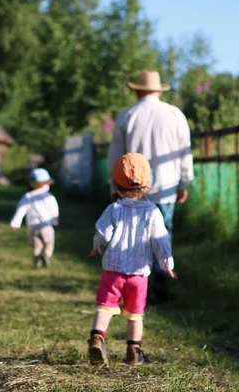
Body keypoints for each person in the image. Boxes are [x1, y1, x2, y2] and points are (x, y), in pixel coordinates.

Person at [107, 70, 194, 301]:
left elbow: (115, 155)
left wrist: (113, 185)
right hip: (166, 185)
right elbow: (184, 152)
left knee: (134, 235)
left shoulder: (127, 116)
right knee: (162, 234)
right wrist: (184, 182)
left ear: (137, 90)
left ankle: (136, 285)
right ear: (158, 90)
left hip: (132, 187)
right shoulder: (175, 115)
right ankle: (161, 281)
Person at [87, 153, 177, 366]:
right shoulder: (152, 212)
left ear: (116, 185)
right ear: (146, 184)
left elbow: (104, 234)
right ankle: (133, 353)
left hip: (113, 271)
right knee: (135, 315)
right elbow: (161, 241)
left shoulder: (114, 209)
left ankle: (97, 337)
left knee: (105, 306)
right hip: (138, 275)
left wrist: (96, 246)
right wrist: (167, 264)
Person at [10, 168, 59, 268]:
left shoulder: (27, 196)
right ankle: (47, 254)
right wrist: (55, 220)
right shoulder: (49, 197)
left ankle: (36, 264)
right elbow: (54, 210)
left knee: (36, 246)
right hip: (46, 225)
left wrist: (15, 223)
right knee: (49, 242)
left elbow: (21, 210)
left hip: (32, 227)